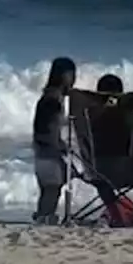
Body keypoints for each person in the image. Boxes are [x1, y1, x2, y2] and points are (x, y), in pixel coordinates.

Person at [89, 73, 133, 226]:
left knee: (100, 179)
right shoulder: (129, 114)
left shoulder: (90, 114)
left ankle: (115, 214)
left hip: (99, 170)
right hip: (130, 170)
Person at [32, 57, 77, 224]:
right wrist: (60, 147)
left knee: (47, 191)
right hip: (48, 154)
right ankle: (44, 218)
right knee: (52, 190)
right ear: (65, 76)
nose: (74, 81)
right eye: (72, 76)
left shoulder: (48, 97)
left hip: (40, 152)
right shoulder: (54, 100)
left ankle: (42, 216)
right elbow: (49, 130)